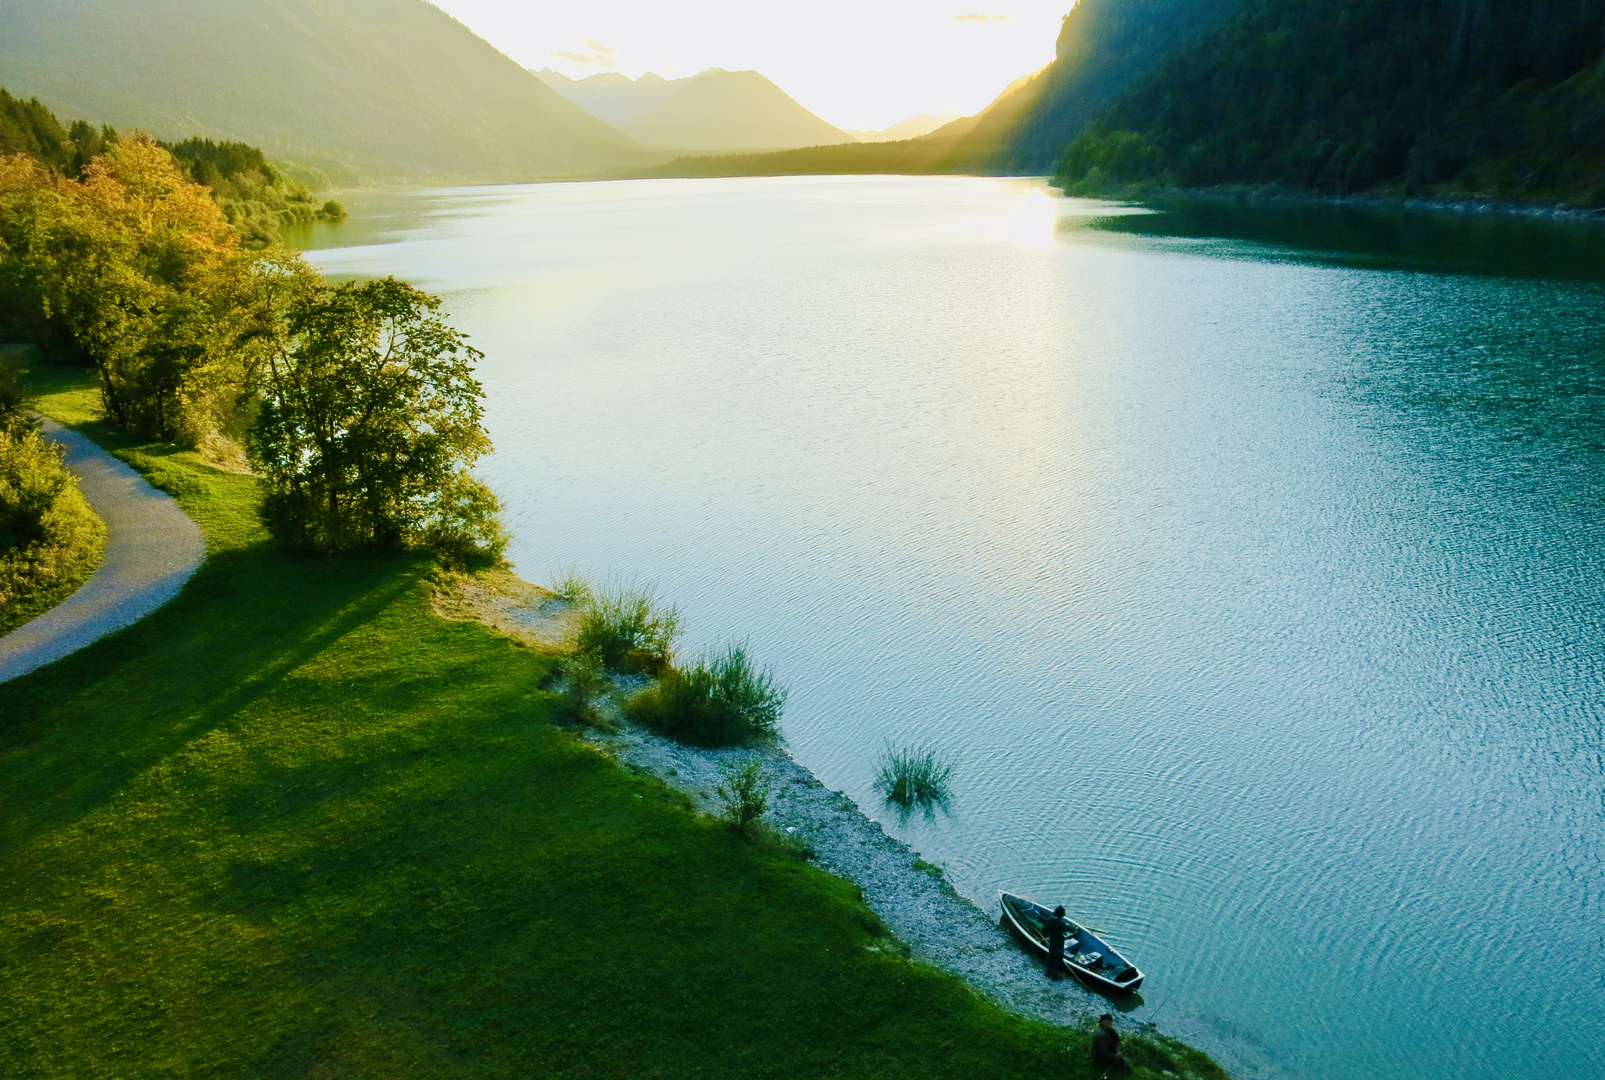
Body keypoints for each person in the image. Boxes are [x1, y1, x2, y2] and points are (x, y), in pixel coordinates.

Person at [1042, 905, 1070, 977]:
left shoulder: (1048, 921)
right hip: (1059, 944)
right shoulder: (1061, 924)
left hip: (1051, 942)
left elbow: (1044, 931)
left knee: (1050, 957)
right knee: (1058, 959)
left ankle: (1048, 973)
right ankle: (1054, 976)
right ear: (1062, 914)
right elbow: (1072, 930)